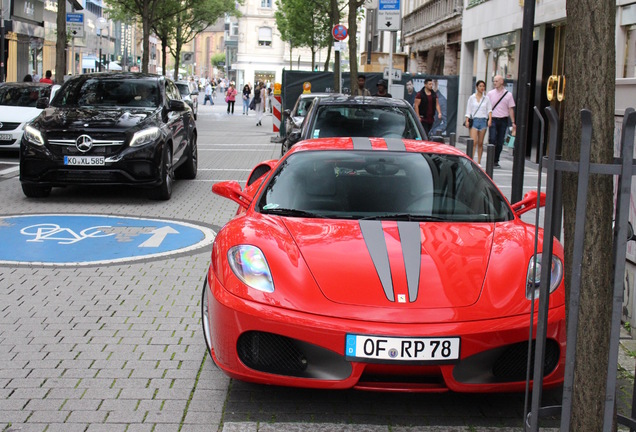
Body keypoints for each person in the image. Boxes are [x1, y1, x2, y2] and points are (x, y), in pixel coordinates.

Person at [487, 75, 516, 168]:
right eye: (494, 81)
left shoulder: (508, 95)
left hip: (503, 120)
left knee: (500, 141)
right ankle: (490, 158)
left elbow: (511, 109)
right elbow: (487, 107)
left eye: (496, 81)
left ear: (501, 82)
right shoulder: (490, 94)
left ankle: (496, 160)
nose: (494, 83)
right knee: (492, 139)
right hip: (493, 119)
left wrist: (513, 122)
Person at [464, 80, 492, 165]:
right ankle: (471, 160)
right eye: (480, 86)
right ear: (476, 87)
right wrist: (467, 120)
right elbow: (468, 110)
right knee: (473, 142)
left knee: (480, 142)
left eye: (483, 86)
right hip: (475, 120)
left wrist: (490, 119)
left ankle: (479, 161)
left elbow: (489, 109)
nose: (482, 88)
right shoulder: (472, 98)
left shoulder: (486, 98)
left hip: (483, 120)